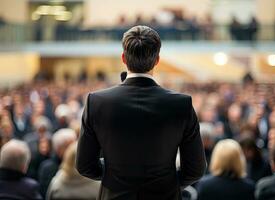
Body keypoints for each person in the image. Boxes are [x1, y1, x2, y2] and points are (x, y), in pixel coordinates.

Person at [76, 25, 206, 200]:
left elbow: (85, 165)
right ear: (157, 60)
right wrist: (168, 183)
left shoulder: (97, 102)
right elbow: (196, 169)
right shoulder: (181, 104)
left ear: (123, 58)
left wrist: (114, 176)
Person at [39, 128, 77, 198]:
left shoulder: (80, 165)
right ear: (58, 149)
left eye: (74, 146)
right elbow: (45, 193)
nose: (73, 150)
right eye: (68, 147)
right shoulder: (47, 168)